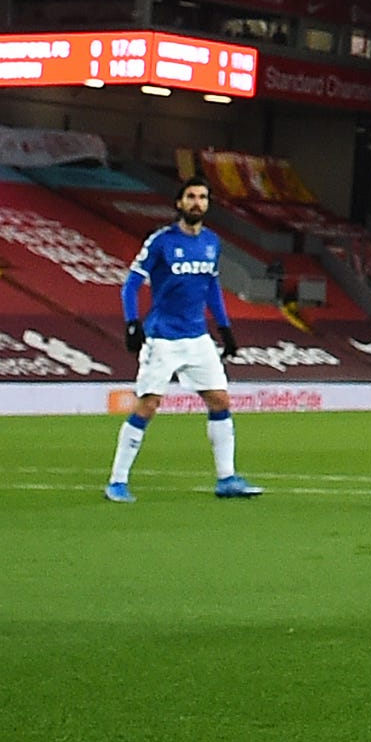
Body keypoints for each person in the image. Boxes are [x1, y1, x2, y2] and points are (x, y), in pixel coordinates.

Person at [108, 182, 262, 502]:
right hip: (163, 337)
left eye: (203, 197)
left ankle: (227, 479)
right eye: (191, 197)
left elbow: (211, 289)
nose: (197, 202)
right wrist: (132, 323)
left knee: (220, 399)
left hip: (198, 338)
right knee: (148, 405)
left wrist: (225, 329)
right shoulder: (162, 241)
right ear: (179, 202)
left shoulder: (211, 242)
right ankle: (117, 481)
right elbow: (131, 285)